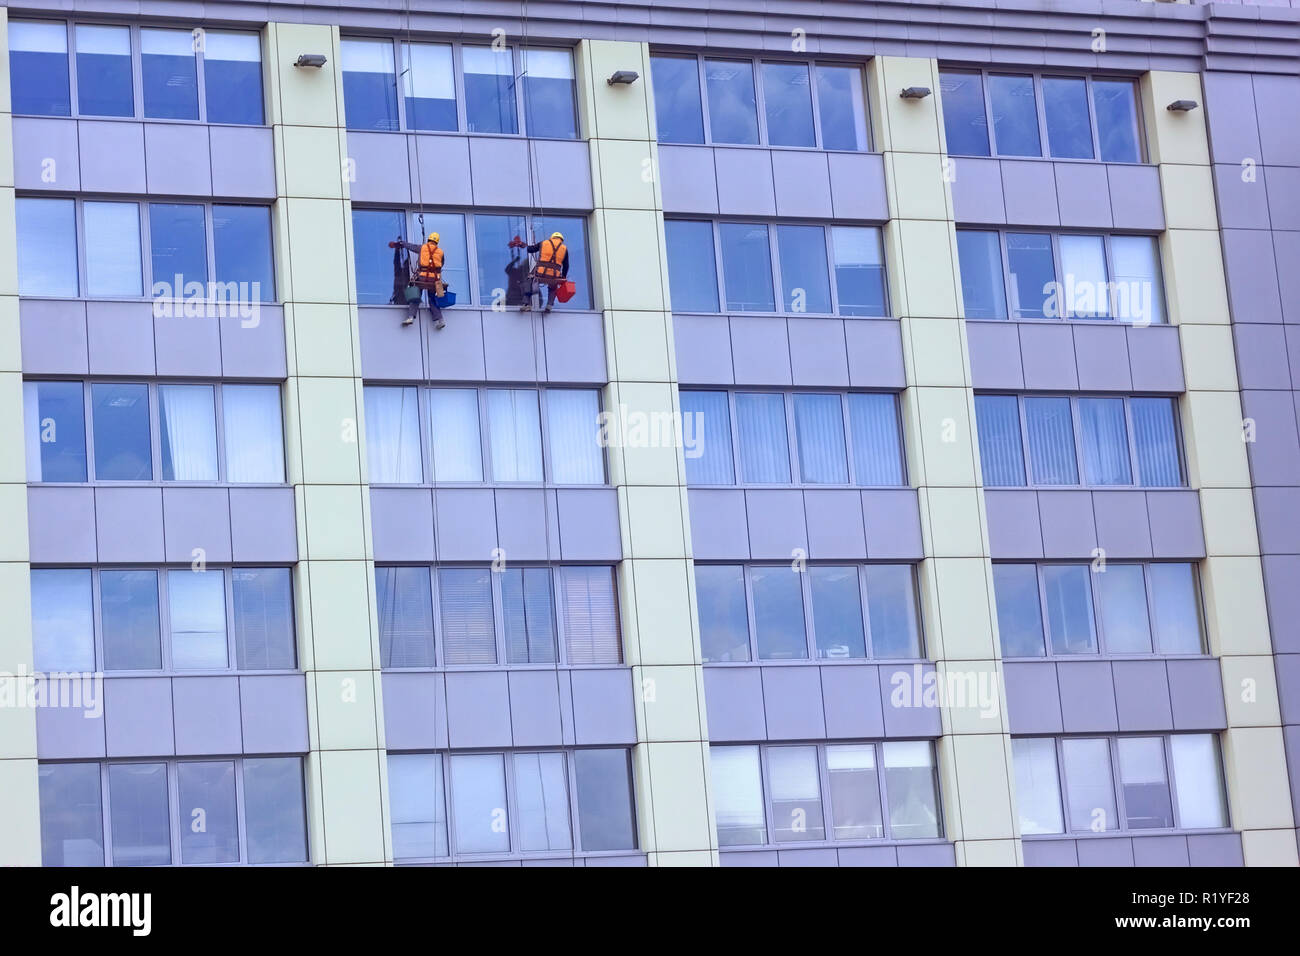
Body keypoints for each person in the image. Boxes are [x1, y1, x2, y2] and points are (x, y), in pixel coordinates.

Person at [387, 232, 448, 329]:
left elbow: (411, 246)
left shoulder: (422, 248)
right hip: (435, 280)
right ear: (437, 242)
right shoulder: (441, 252)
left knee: (415, 297)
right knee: (432, 298)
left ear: (429, 240)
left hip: (422, 278)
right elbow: (441, 264)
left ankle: (411, 317)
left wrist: (402, 243)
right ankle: (440, 320)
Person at [520, 231, 568, 312]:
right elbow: (566, 265)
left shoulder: (544, 243)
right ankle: (549, 305)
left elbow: (530, 250)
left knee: (529, 280)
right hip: (554, 275)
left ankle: (526, 304)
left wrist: (527, 246)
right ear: (561, 240)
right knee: (553, 287)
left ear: (552, 238)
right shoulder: (564, 249)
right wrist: (563, 276)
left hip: (540, 272)